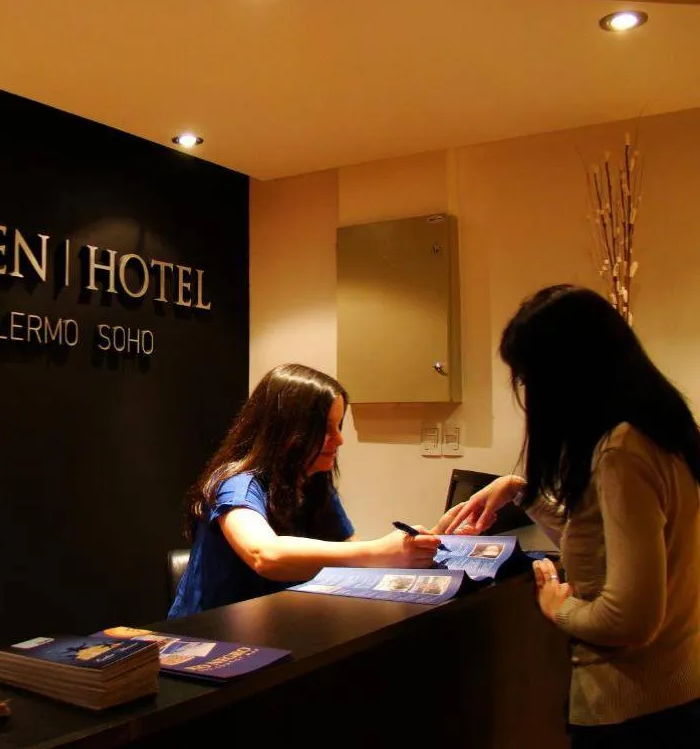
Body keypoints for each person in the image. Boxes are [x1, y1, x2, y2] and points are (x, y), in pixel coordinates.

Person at [447, 285, 700, 746]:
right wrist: (519, 490)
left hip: (633, 707)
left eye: (530, 378)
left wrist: (557, 606)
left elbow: (629, 620)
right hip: (673, 694)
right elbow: (603, 543)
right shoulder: (661, 434)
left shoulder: (621, 452)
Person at [168, 363, 446, 619]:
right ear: (286, 430)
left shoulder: (313, 482)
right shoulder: (238, 484)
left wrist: (421, 548)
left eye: (338, 426)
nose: (340, 439)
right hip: (210, 636)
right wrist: (379, 552)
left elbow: (349, 548)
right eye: (325, 429)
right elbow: (265, 555)